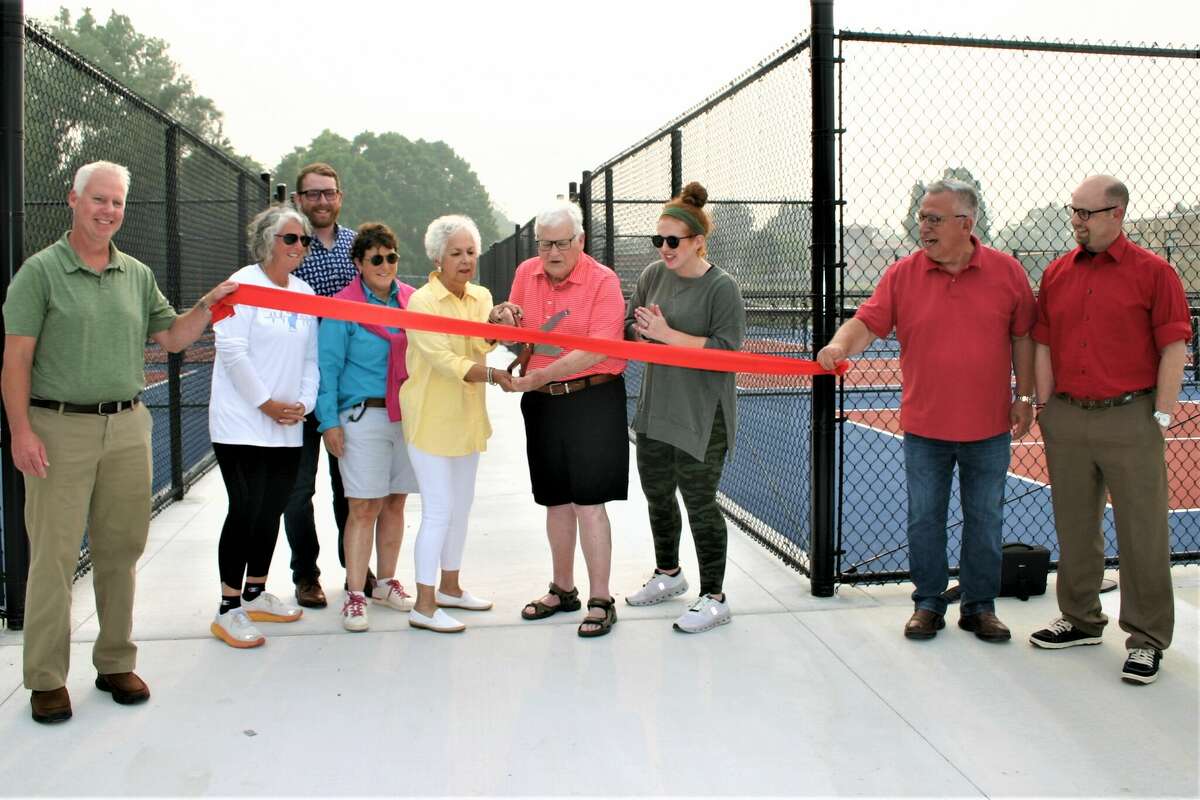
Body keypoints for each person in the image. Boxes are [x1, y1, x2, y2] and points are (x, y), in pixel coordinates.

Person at [1, 160, 236, 723]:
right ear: (73, 201)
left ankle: (113, 661)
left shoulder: (136, 274)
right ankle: (45, 678)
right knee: (54, 558)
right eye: (98, 199)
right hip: (59, 428)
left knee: (120, 551)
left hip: (128, 426)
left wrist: (209, 304)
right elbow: (16, 361)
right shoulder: (40, 273)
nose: (108, 210)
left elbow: (174, 336)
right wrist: (22, 432)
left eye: (117, 203)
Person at [817, 178, 1036, 643]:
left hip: (989, 428)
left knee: (986, 520)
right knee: (924, 519)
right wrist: (839, 344)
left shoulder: (1007, 272)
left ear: (966, 223)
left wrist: (1025, 396)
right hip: (925, 428)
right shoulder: (902, 274)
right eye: (921, 217)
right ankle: (929, 603)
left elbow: (1024, 336)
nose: (924, 227)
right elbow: (867, 322)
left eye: (934, 218)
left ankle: (979, 606)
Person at [1029, 175, 1190, 685]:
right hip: (1067, 417)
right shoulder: (1056, 274)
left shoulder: (1154, 273)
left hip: (1132, 415)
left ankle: (1146, 638)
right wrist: (1045, 406)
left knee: (1143, 531)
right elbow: (1044, 344)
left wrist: (1161, 416)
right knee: (1075, 525)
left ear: (1116, 213)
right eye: (1073, 211)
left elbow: (1173, 347)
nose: (1076, 220)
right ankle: (1079, 618)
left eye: (1086, 212)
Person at [623, 182, 747, 633]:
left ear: (698, 241)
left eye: (673, 240)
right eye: (658, 240)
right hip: (656, 408)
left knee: (699, 502)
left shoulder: (722, 288)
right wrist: (641, 332)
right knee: (657, 494)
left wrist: (666, 334)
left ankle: (715, 597)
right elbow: (632, 327)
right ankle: (669, 574)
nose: (664, 248)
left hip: (702, 415)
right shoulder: (652, 276)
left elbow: (727, 352)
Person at [504, 200, 628, 638]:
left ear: (580, 241)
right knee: (554, 500)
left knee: (589, 504)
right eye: (544, 244)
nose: (551, 253)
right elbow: (511, 338)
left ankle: (601, 599)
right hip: (541, 402)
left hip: (591, 399)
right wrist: (500, 323)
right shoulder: (525, 274)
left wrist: (538, 376)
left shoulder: (603, 282)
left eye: (560, 243)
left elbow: (596, 348)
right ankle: (563, 589)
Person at [207, 205, 319, 649]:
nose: (298, 247)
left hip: (287, 424)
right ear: (266, 241)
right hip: (241, 424)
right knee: (245, 508)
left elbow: (309, 359)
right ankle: (227, 608)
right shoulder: (242, 284)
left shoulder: (305, 292)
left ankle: (255, 593)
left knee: (271, 507)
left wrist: (302, 404)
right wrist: (266, 404)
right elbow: (233, 352)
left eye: (304, 240)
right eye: (289, 238)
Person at [400, 215, 512, 633]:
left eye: (470, 252)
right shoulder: (422, 303)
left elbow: (483, 341)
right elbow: (444, 360)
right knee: (438, 511)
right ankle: (423, 607)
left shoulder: (481, 296)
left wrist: (499, 321)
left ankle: (450, 588)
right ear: (437, 258)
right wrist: (493, 374)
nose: (466, 261)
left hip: (467, 420)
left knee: (460, 510)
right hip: (430, 421)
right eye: (456, 254)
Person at [317, 222, 420, 632]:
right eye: (375, 258)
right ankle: (356, 592)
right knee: (363, 506)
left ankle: (387, 581)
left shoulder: (413, 301)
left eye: (391, 256)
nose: (384, 264)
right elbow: (327, 369)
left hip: (406, 415)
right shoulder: (342, 307)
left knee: (395, 501)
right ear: (358, 262)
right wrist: (329, 423)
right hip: (361, 416)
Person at [284, 162, 359, 609]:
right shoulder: (289, 246)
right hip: (297, 383)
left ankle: (354, 568)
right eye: (312, 194)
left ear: (340, 196)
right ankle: (305, 576)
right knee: (298, 489)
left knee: (348, 483)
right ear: (299, 200)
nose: (322, 201)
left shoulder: (355, 246)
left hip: (345, 384)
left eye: (328, 193)